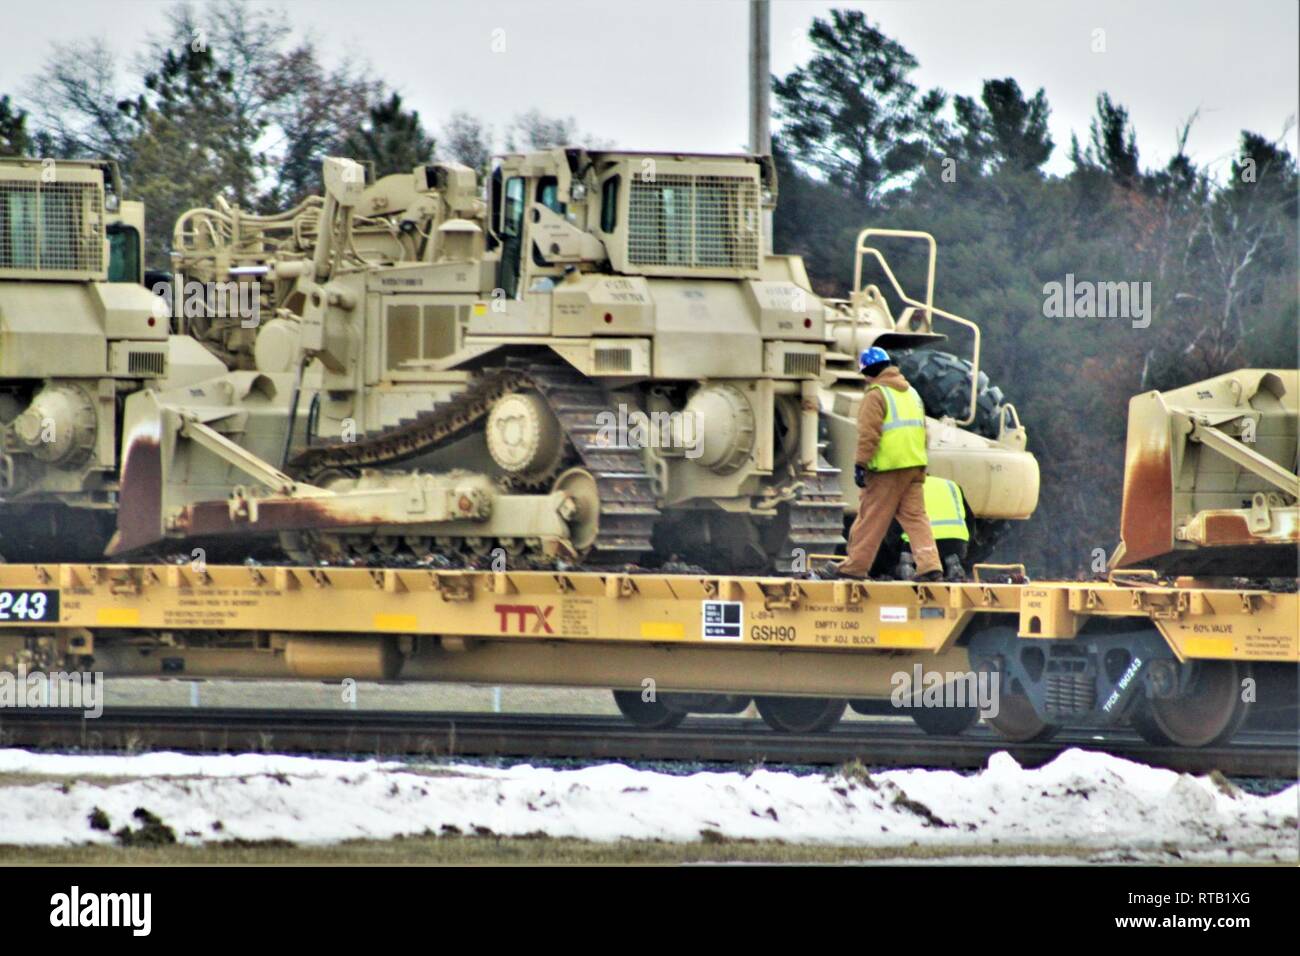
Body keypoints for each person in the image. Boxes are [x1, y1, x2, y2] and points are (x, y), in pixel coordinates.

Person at [833, 346, 942, 581]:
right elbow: (924, 432)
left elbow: (868, 434)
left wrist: (861, 464)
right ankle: (930, 566)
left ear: (868, 372)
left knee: (871, 518)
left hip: (887, 469)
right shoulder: (911, 393)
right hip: (914, 466)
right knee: (916, 518)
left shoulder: (876, 394)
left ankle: (855, 568)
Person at [898, 475, 970, 581]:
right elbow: (970, 522)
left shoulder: (904, 488)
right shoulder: (951, 485)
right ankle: (954, 568)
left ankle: (908, 570)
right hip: (956, 545)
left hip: (916, 549)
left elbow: (892, 529)